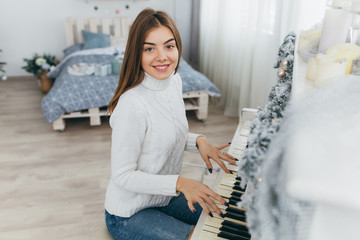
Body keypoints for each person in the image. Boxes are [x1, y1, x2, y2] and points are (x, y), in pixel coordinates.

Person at [105, 8, 237, 240]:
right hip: (129, 213)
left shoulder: (174, 81)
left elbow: (161, 133)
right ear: (137, 53)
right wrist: (180, 183)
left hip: (162, 197)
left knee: (228, 216)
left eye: (169, 45)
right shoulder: (132, 105)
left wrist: (199, 140)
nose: (162, 57)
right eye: (149, 49)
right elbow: (123, 175)